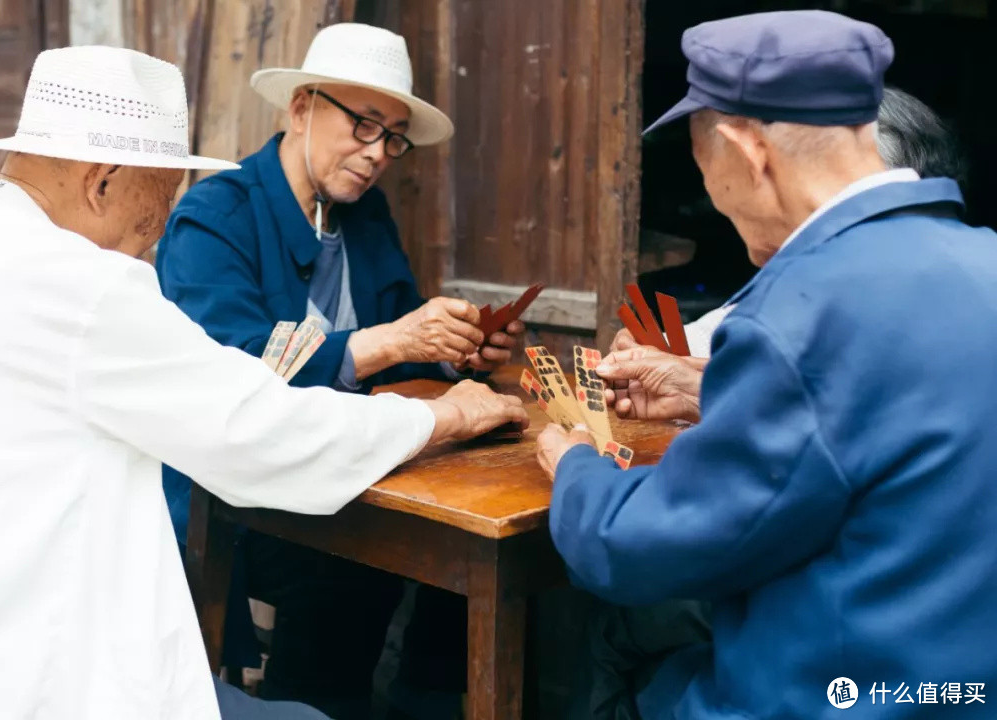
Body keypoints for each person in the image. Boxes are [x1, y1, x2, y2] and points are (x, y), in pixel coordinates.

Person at [0, 45, 527, 720]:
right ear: (102, 181)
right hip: (44, 675)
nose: (155, 231)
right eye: (159, 196)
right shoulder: (93, 285)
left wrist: (444, 356)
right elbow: (258, 426)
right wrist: (445, 418)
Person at [537, 10, 997, 719]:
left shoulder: (801, 311)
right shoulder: (982, 261)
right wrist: (707, 391)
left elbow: (638, 548)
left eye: (697, 159)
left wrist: (572, 464)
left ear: (743, 150)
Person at [156, 24, 514, 716]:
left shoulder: (363, 212)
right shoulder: (215, 215)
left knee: (468, 557)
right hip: (242, 489)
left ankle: (427, 704)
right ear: (300, 109)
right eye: (364, 126)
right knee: (346, 574)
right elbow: (237, 368)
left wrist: (453, 345)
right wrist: (384, 343)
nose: (377, 154)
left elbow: (401, 322)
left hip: (351, 464)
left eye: (394, 138)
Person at [602, 86, 972, 426]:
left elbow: (825, 430)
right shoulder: (834, 276)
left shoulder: (868, 287)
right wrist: (673, 359)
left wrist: (577, 468)